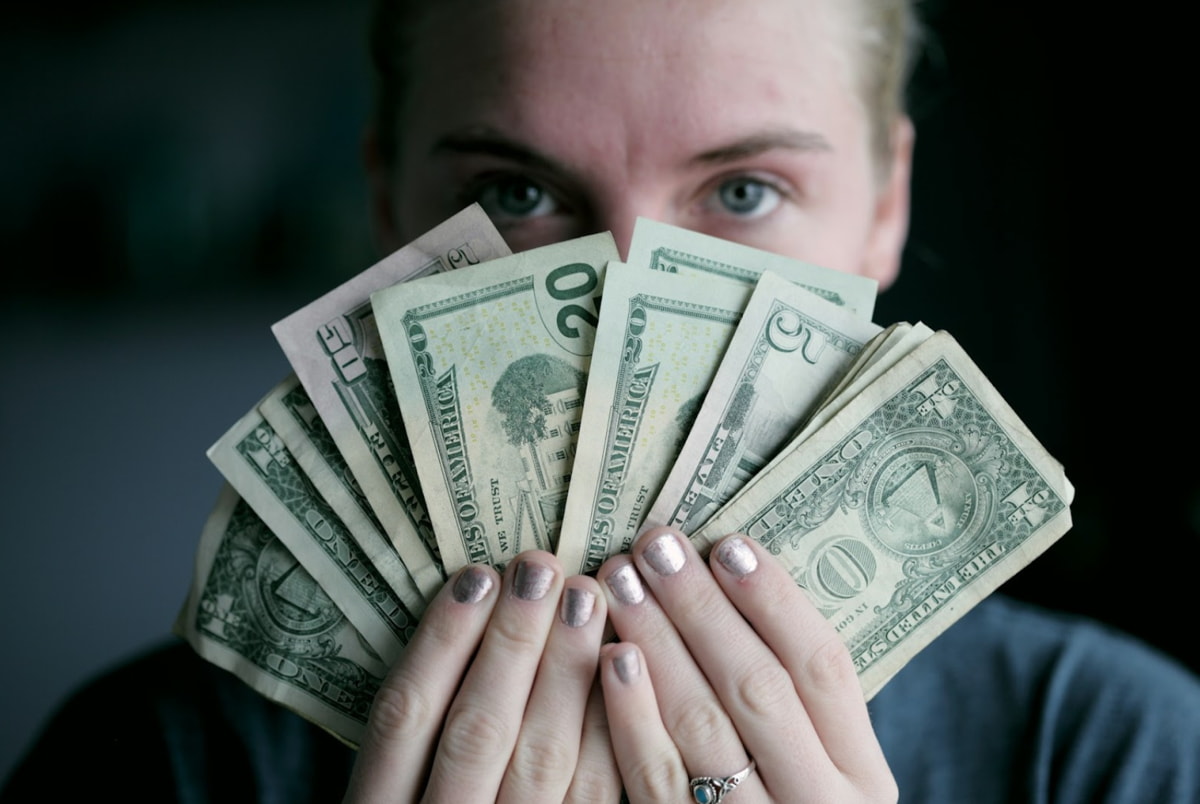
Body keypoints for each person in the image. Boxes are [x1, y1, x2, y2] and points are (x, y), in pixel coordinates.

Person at [4, 0, 1199, 802]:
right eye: (517, 188)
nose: (625, 294)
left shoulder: (1121, 752)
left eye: (743, 191)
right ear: (385, 200)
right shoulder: (151, 764)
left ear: (888, 205)